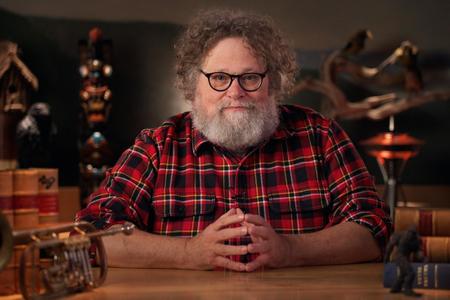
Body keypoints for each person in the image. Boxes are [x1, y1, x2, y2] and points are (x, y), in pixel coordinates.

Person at [76, 9, 391, 272]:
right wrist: (188, 253)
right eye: (220, 78)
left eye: (250, 77)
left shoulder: (322, 136)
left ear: (273, 83)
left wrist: (291, 250)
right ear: (193, 86)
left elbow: (373, 229)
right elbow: (93, 233)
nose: (235, 92)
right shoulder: (157, 146)